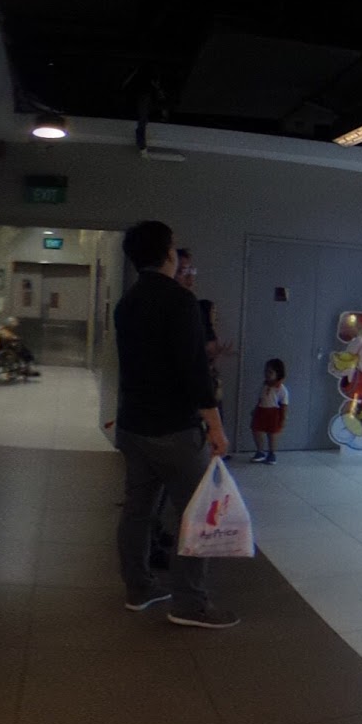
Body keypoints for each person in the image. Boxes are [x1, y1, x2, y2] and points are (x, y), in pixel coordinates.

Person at [112, 218, 235, 629]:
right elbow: (194, 371)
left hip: (133, 427)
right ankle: (189, 603)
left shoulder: (126, 303)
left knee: (138, 510)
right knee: (197, 513)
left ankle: (139, 589)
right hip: (175, 431)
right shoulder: (181, 302)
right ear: (168, 254)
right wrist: (215, 427)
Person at [249, 356, 289, 465]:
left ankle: (272, 453)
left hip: (273, 413)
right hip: (261, 411)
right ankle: (260, 451)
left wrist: (283, 418)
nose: (267, 374)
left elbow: (284, 404)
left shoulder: (281, 389)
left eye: (270, 372)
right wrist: (255, 409)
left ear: (278, 374)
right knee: (256, 430)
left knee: (272, 434)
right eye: (266, 371)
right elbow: (261, 398)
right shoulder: (264, 385)